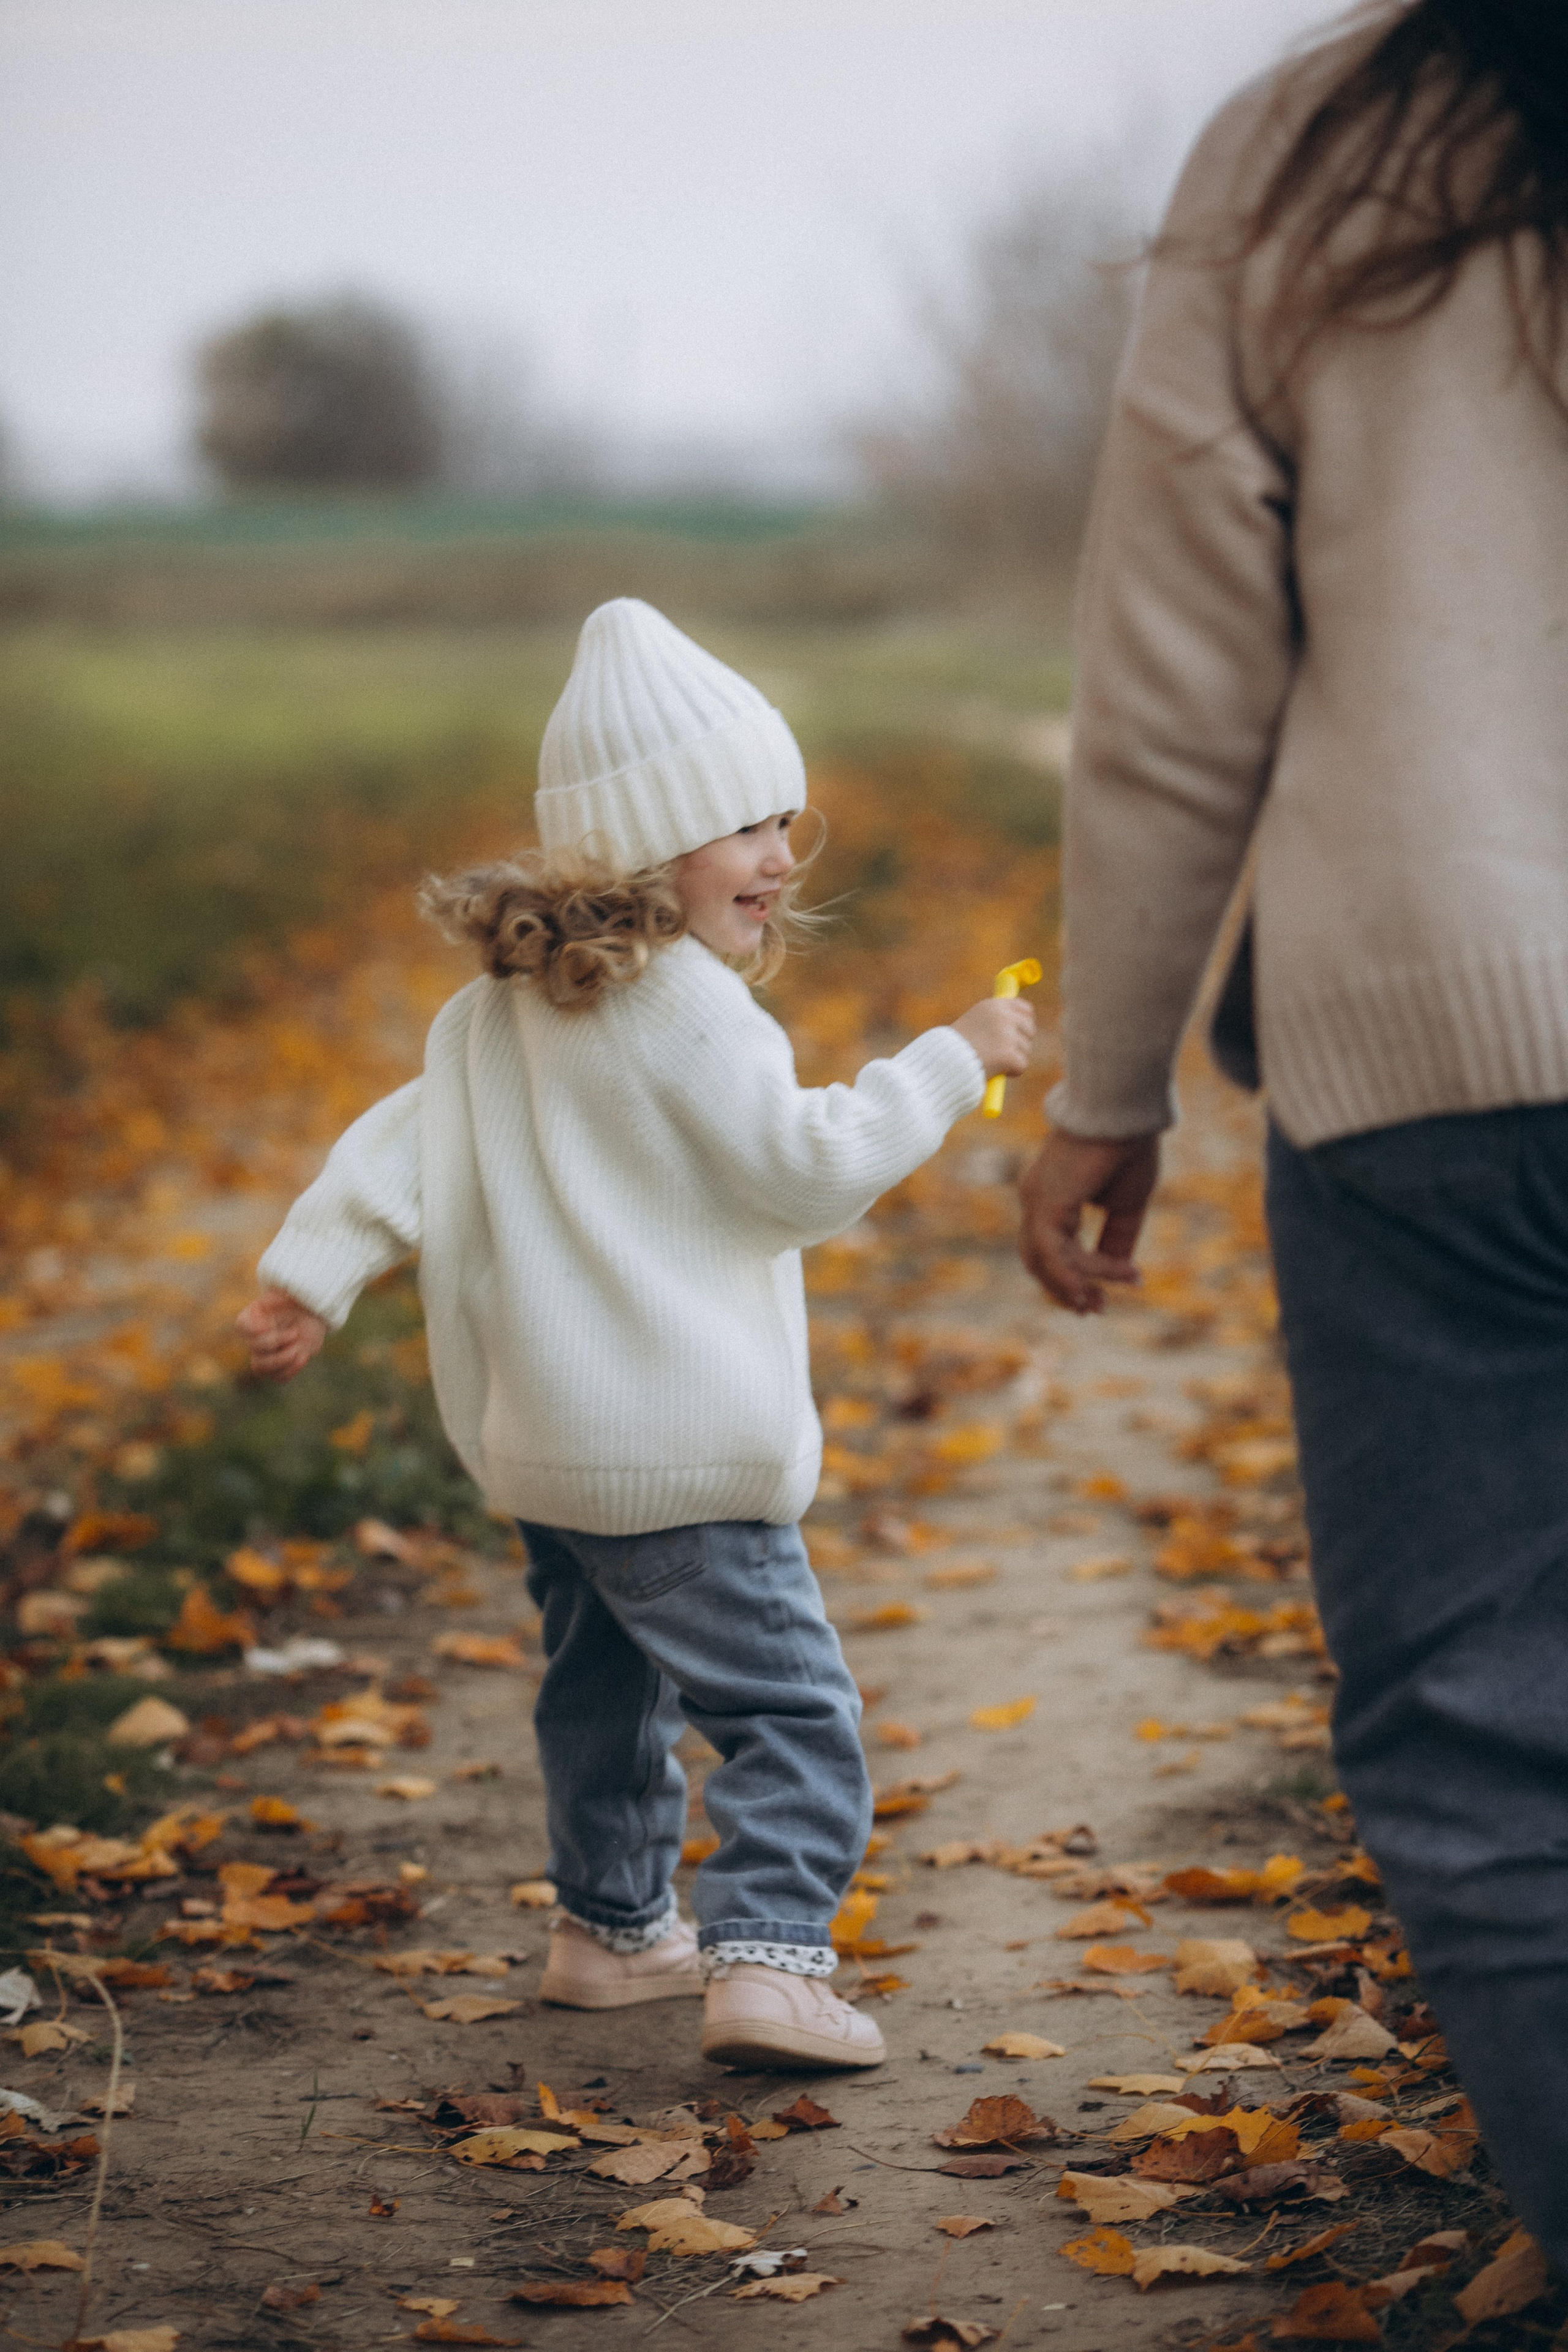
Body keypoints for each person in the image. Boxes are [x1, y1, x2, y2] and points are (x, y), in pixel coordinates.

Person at [1017, 0, 1568, 2261]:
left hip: (1431, 1062)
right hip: (1424, 1072)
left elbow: (1174, 694)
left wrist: (1108, 1083)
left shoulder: (1317, 154)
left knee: (1487, 1739)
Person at [238, 598, 1033, 2071]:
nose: (780, 857)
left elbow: (401, 1151)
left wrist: (309, 1275)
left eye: (783, 821)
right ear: (646, 848)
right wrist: (946, 1061)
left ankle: (610, 1931)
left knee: (606, 1693)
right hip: (679, 1452)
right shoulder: (687, 1011)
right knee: (789, 1709)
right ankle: (769, 1961)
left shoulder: (494, 1012)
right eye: (742, 827)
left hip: (552, 1451)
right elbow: (806, 1170)